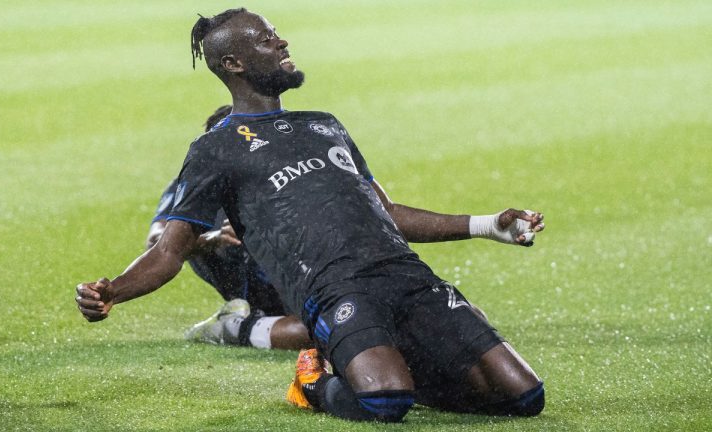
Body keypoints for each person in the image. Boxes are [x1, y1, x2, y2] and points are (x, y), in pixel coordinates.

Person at [76, 8, 547, 422]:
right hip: (334, 289)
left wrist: (488, 225)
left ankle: (397, 368)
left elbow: (387, 213)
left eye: (276, 33)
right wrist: (113, 291)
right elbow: (169, 250)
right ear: (233, 64)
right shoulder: (214, 148)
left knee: (524, 396)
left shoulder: (325, 124)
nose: (281, 42)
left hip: (406, 275)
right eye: (265, 39)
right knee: (385, 404)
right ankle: (313, 384)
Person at [148, 104, 311, 350]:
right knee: (320, 332)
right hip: (248, 279)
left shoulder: (290, 174)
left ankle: (241, 325)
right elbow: (156, 243)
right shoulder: (194, 184)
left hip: (300, 276)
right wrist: (213, 239)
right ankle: (232, 327)